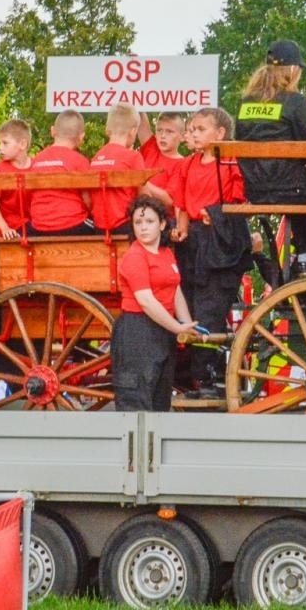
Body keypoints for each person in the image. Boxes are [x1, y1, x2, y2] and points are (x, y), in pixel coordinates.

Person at [167, 107, 249, 397]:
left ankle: (207, 375)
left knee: (210, 309)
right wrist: (181, 227)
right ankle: (189, 374)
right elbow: (181, 200)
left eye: (201, 129)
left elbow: (239, 201)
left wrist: (213, 213)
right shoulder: (188, 164)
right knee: (186, 305)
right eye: (193, 129)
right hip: (194, 242)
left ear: (220, 133)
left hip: (221, 239)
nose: (194, 134)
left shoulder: (231, 163)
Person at [235, 40, 306, 274]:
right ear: (293, 70)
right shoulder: (295, 101)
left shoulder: (245, 103)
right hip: (291, 189)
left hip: (255, 190)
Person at [111, 196, 200, 410]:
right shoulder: (135, 256)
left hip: (162, 331)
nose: (143, 228)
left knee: (160, 400)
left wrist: (187, 325)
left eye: (149, 222)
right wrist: (176, 327)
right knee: (137, 401)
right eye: (138, 223)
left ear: (162, 224)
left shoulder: (167, 253)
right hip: (137, 332)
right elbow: (146, 301)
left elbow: (175, 289)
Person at [26, 110, 94, 237]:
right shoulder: (81, 162)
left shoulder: (36, 161)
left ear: (53, 131)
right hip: (73, 225)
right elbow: (88, 201)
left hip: (38, 227)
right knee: (99, 227)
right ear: (81, 137)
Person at [89, 103, 147, 235]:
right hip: (125, 225)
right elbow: (144, 197)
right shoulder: (133, 157)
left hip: (99, 227)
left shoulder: (96, 159)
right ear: (133, 131)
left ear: (108, 129)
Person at [0, 119, 34, 240]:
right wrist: (4, 228)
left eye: (5, 143)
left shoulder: (36, 166)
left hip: (33, 225)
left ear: (22, 144)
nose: (0, 148)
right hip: (9, 229)